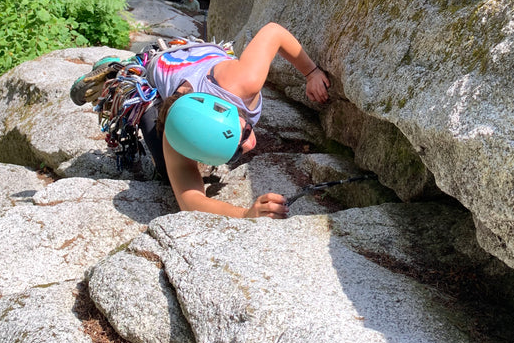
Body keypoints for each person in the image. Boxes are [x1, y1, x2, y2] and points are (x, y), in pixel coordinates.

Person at [74, 23, 329, 219]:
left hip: (194, 52)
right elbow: (189, 201)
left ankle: (128, 67)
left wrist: (312, 72)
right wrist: (245, 214)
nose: (251, 145)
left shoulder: (244, 80)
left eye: (244, 133)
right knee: (166, 171)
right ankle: (120, 73)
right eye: (238, 151)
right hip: (156, 71)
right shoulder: (175, 136)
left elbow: (274, 32)